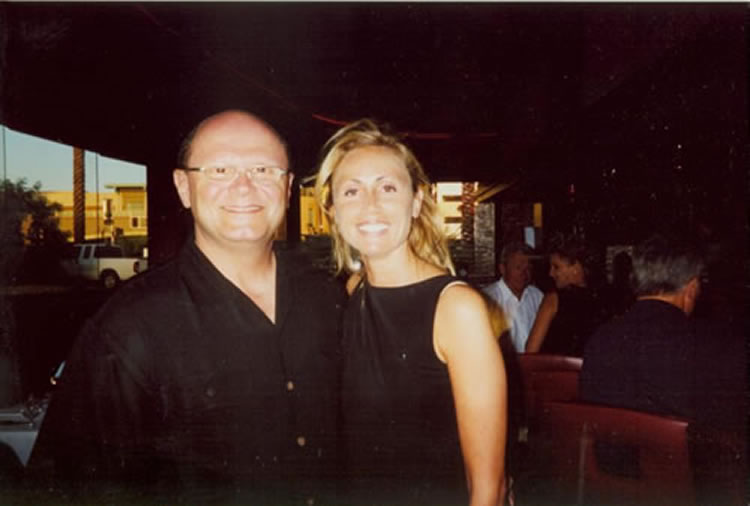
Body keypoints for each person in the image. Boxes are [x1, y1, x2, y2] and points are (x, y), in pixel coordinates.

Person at [30, 110, 345, 503]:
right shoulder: (128, 327)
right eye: (220, 170)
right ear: (183, 186)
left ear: (288, 187)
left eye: (264, 170)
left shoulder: (330, 299)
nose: (244, 186)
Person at [314, 119, 507, 505]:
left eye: (387, 187)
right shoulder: (354, 292)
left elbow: (489, 488)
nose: (370, 205)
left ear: (417, 201)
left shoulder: (456, 308)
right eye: (352, 191)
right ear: (332, 210)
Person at [579, 235, 746, 504]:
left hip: (609, 489)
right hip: (690, 494)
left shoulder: (600, 339)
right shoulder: (714, 344)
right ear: (691, 287)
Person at [525, 234, 606, 356]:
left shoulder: (553, 299)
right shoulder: (601, 300)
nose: (551, 273)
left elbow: (531, 351)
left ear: (575, 268)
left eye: (556, 267)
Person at [483, 241, 544, 352]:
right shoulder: (489, 299)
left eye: (528, 268)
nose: (524, 274)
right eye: (518, 268)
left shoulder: (537, 296)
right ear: (503, 269)